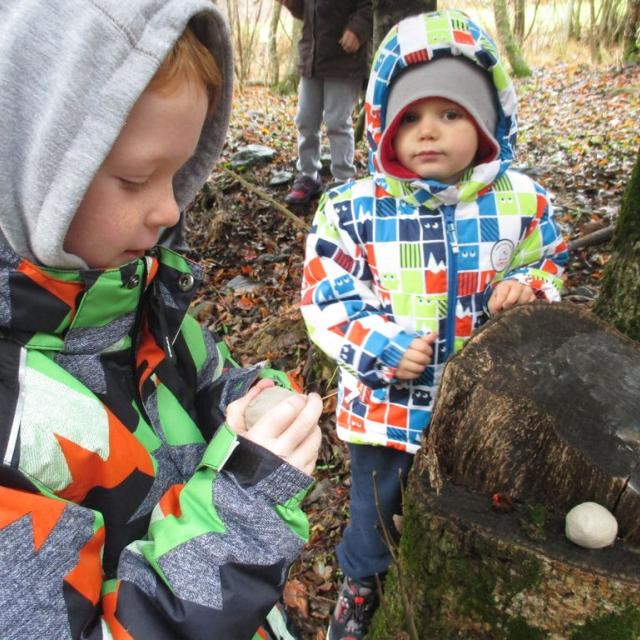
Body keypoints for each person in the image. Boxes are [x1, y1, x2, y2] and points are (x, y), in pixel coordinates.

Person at [0, 2, 323, 639]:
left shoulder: (132, 301)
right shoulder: (13, 417)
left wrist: (256, 405)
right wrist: (241, 514)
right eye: (136, 178)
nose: (168, 210)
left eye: (179, 173)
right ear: (28, 168)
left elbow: (209, 380)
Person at [300, 9, 569, 639]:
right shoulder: (354, 209)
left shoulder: (523, 203)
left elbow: (551, 260)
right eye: (411, 118)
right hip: (386, 409)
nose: (429, 132)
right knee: (375, 514)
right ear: (382, 126)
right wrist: (381, 346)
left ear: (487, 122)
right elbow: (328, 295)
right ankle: (361, 588)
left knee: (476, 510)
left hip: (484, 408)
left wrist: (529, 285)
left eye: (451, 115)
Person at [277, 0, 372, 205]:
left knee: (337, 122)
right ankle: (308, 176)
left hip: (344, 59)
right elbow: (308, 13)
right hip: (312, 57)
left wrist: (356, 30)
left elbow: (370, 6)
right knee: (305, 120)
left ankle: (343, 180)